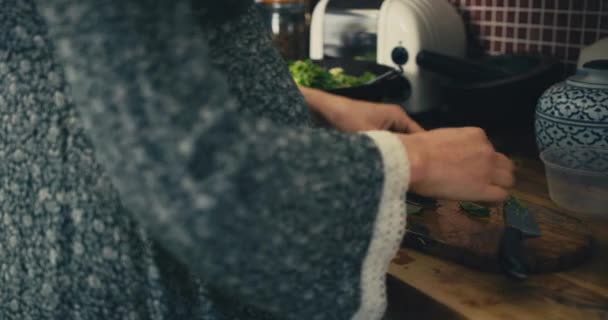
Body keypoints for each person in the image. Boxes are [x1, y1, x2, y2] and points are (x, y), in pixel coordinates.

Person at [0, 0, 514, 319]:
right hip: (118, 257)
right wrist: (408, 162)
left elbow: (123, 65)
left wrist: (316, 101)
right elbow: (190, 176)